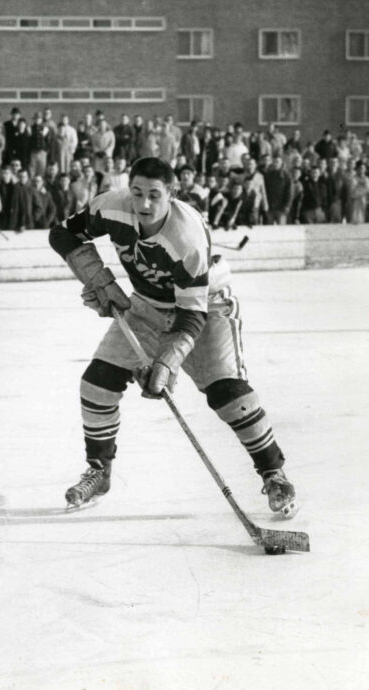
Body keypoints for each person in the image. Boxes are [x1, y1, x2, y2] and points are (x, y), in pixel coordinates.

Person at [48, 156, 296, 516]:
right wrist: (99, 281)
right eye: (137, 193)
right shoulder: (111, 206)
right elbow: (62, 233)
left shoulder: (187, 237)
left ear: (171, 195)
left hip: (206, 308)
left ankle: (274, 473)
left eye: (154, 195)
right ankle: (99, 471)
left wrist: (166, 362)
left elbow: (192, 315)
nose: (144, 204)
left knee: (227, 394)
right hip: (147, 305)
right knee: (97, 382)